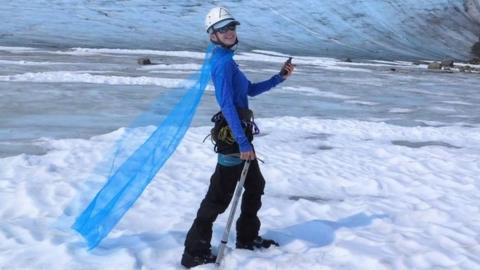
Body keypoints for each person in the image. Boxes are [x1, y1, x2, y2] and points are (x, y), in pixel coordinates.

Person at [181, 6, 294, 268]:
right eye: (222, 29)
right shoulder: (221, 63)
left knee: (255, 185)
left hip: (240, 134)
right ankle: (193, 252)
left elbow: (250, 90)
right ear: (212, 36)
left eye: (231, 27)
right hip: (233, 138)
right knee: (218, 197)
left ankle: (247, 237)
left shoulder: (228, 60)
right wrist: (242, 143)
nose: (229, 32)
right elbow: (227, 104)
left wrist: (279, 78)